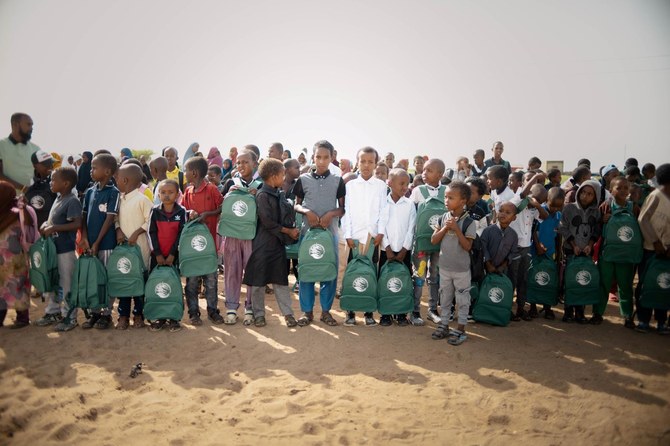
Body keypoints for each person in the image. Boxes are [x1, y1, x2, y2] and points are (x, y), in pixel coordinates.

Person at [242, 159, 300, 327]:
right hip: (262, 245)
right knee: (259, 282)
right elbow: (267, 222)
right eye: (282, 175)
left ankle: (288, 314)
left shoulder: (278, 193)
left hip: (277, 245)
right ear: (273, 176)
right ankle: (259, 314)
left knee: (280, 280)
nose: (284, 177)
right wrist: (288, 231)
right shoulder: (262, 195)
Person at [293, 140, 346, 327]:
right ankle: (307, 312)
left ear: (332, 158)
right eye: (318, 157)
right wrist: (307, 212)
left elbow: (342, 209)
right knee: (307, 271)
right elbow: (296, 204)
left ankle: (325, 312)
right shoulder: (303, 180)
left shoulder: (338, 181)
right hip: (308, 235)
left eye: (326, 157)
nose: (322, 161)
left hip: (329, 234)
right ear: (313, 157)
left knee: (328, 272)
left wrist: (331, 214)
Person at [341, 147, 389, 326]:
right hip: (354, 237)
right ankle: (350, 312)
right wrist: (348, 234)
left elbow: (383, 212)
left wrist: (381, 233)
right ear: (357, 163)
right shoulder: (351, 185)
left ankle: (369, 312)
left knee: (371, 273)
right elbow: (348, 212)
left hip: (372, 237)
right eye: (363, 161)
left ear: (376, 164)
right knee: (352, 272)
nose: (366, 165)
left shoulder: (381, 186)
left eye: (370, 162)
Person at [429, 181, 476, 345]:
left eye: (451, 197)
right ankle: (444, 325)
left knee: (463, 299)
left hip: (461, 270)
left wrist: (456, 229)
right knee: (445, 298)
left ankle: (461, 328)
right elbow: (434, 240)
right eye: (445, 197)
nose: (446, 200)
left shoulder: (469, 222)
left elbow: (467, 246)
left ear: (463, 201)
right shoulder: (443, 218)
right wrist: (444, 228)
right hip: (445, 267)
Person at [36, 167, 83, 331]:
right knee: (54, 283)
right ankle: (53, 312)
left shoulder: (72, 200)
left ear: (66, 183)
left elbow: (77, 224)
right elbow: (54, 221)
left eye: (54, 180)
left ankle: (70, 317)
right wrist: (47, 225)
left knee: (67, 285)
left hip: (65, 251)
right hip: (54, 250)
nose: (50, 182)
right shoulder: (58, 198)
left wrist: (53, 227)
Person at [79, 153, 120, 329]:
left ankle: (106, 314)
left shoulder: (114, 192)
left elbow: (109, 219)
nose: (91, 170)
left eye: (95, 168)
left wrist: (97, 243)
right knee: (93, 279)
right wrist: (86, 239)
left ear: (108, 171)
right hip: (90, 245)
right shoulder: (89, 192)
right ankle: (95, 313)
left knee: (106, 279)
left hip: (106, 244)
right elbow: (83, 217)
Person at [181, 156, 225, 326]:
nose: (184, 174)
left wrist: (209, 214)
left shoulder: (212, 190)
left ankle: (213, 311)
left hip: (209, 247)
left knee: (211, 281)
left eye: (185, 171)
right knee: (192, 282)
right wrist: (189, 212)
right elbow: (182, 210)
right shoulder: (187, 192)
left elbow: (222, 207)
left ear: (194, 172)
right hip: (192, 248)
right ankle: (194, 313)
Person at [221, 151, 261, 324]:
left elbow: (266, 210)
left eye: (246, 162)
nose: (241, 166)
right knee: (232, 270)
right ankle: (231, 307)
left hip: (251, 235)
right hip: (232, 234)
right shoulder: (231, 182)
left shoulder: (260, 185)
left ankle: (250, 307)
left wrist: (257, 197)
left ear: (255, 164)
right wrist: (229, 194)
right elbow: (222, 205)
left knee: (251, 271)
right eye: (238, 163)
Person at [594, 177, 638, 328]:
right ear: (611, 190)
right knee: (603, 284)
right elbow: (596, 230)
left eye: (626, 188)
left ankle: (627, 316)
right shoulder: (605, 207)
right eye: (619, 188)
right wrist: (602, 220)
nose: (623, 191)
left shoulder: (634, 208)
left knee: (625, 285)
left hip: (626, 254)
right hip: (607, 253)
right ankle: (597, 313)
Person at [113, 164, 153, 330]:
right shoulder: (119, 200)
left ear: (125, 180)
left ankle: (138, 314)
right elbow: (115, 218)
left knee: (139, 282)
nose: (116, 181)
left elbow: (149, 220)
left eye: (117, 179)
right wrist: (118, 230)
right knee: (124, 280)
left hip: (140, 248)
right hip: (124, 249)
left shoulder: (143, 200)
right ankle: (123, 315)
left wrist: (136, 233)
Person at [559, 179, 602, 323]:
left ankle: (580, 312)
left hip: (586, 252)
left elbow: (596, 230)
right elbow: (563, 227)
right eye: (583, 192)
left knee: (582, 280)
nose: (585, 196)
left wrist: (590, 244)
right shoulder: (569, 208)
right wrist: (573, 244)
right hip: (571, 251)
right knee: (570, 281)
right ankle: (568, 311)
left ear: (595, 196)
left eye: (590, 194)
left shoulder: (596, 212)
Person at [507, 175, 549, 321]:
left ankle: (520, 308)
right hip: (513, 249)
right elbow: (523, 193)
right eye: (536, 199)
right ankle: (507, 309)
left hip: (526, 249)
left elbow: (545, 216)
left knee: (523, 280)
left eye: (542, 201)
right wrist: (536, 177)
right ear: (530, 196)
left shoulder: (534, 208)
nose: (538, 203)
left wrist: (537, 205)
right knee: (511, 279)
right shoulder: (518, 203)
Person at [410, 158, 446, 325]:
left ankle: (432, 310)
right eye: (423, 170)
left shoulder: (446, 191)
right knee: (419, 275)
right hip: (422, 246)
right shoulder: (418, 190)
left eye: (429, 170)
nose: (424, 173)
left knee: (435, 277)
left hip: (440, 245)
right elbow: (412, 217)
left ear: (440, 174)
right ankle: (415, 310)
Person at [148, 179, 187, 332]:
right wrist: (157, 254)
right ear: (158, 194)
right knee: (157, 286)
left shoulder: (181, 211)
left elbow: (181, 235)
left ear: (177, 194)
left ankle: (173, 318)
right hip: (157, 257)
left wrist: (172, 254)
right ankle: (159, 317)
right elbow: (151, 233)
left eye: (170, 192)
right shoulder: (155, 211)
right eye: (163, 192)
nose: (166, 195)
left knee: (174, 287)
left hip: (173, 258)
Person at [635, 163, 670, 333]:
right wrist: (655, 242)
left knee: (663, 284)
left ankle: (662, 321)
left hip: (667, 251)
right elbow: (643, 219)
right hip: (651, 249)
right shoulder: (656, 196)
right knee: (647, 284)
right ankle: (643, 320)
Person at [379, 168, 416, 326]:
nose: (405, 187)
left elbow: (411, 229)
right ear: (390, 183)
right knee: (385, 281)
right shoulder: (383, 204)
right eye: (401, 183)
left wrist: (404, 249)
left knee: (402, 281)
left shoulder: (409, 205)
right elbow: (381, 227)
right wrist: (386, 247)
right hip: (385, 251)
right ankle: (385, 314)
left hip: (403, 252)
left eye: (407, 184)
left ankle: (401, 313)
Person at [529, 187, 565, 320]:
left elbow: (557, 235)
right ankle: (532, 306)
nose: (555, 209)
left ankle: (548, 307)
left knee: (548, 279)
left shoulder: (558, 216)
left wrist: (558, 255)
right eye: (552, 205)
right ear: (547, 200)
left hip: (550, 253)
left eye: (559, 206)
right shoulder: (539, 211)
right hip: (535, 251)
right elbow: (533, 230)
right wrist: (538, 246)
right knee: (534, 277)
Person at [0, 113, 41, 190]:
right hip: (5, 198)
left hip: (28, 199)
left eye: (32, 125)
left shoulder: (36, 148)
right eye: (28, 124)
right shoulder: (1, 145)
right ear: (15, 125)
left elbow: (39, 175)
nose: (31, 128)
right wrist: (23, 188)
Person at [481, 201, 518, 276]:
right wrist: (488, 264)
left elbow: (512, 252)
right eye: (501, 211)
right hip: (484, 268)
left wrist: (503, 266)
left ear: (514, 218)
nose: (503, 214)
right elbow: (483, 247)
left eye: (508, 212)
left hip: (502, 271)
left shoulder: (513, 235)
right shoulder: (488, 230)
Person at [25, 150, 57, 227]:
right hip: (34, 229)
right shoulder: (29, 184)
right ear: (35, 166)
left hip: (52, 229)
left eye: (51, 163)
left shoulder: (57, 181)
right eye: (46, 164)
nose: (50, 167)